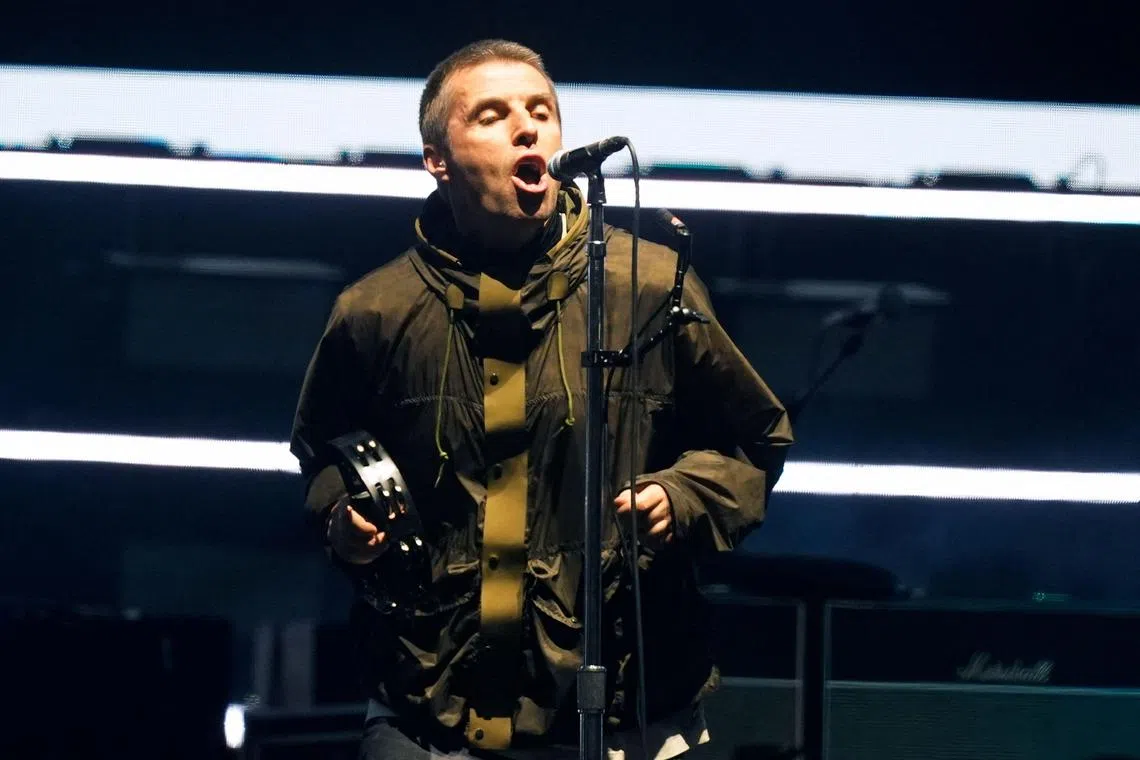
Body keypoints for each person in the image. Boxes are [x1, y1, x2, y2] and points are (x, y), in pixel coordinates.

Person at [290, 39, 793, 760]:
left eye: (541, 111)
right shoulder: (376, 310)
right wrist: (342, 516)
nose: (528, 129)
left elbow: (753, 439)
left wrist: (682, 495)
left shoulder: (650, 287)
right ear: (438, 158)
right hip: (431, 715)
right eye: (492, 116)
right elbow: (324, 450)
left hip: (623, 716)